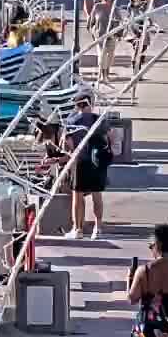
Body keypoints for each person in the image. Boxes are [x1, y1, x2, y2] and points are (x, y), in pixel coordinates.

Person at [64, 96, 111, 239]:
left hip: (80, 161)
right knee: (97, 195)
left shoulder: (72, 122)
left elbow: (68, 143)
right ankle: (98, 228)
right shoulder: (99, 119)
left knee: (77, 196)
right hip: (97, 162)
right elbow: (110, 136)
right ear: (90, 104)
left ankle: (77, 229)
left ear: (77, 106)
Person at [93, 0, 122, 83]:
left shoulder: (115, 9)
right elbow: (91, 22)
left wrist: (118, 34)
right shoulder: (97, 7)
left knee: (109, 56)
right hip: (100, 36)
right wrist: (93, 34)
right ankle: (102, 75)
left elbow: (119, 22)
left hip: (112, 36)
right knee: (102, 56)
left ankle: (107, 75)